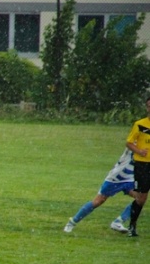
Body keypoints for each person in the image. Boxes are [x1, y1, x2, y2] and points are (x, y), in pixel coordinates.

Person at [64, 149, 136, 233]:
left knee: (140, 199)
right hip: (117, 176)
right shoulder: (135, 141)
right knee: (98, 201)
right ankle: (72, 222)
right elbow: (129, 144)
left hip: (131, 177)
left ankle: (118, 222)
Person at [123, 96, 150, 237]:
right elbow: (129, 142)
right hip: (143, 165)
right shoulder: (140, 124)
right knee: (141, 198)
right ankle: (132, 226)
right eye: (149, 106)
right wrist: (139, 151)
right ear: (147, 107)